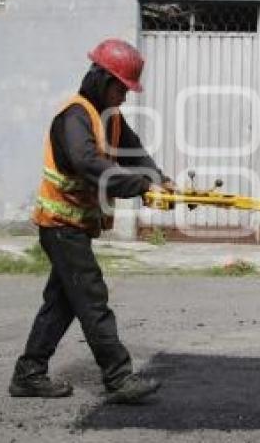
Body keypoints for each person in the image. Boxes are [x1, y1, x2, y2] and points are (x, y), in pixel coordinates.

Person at [10, 39, 172, 403]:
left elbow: (133, 152)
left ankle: (28, 373)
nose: (126, 97)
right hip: (60, 226)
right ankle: (118, 378)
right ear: (102, 79)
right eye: (122, 88)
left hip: (74, 228)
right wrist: (141, 187)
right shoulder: (75, 116)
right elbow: (88, 164)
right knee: (91, 297)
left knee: (63, 301)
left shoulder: (109, 119)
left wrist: (161, 181)